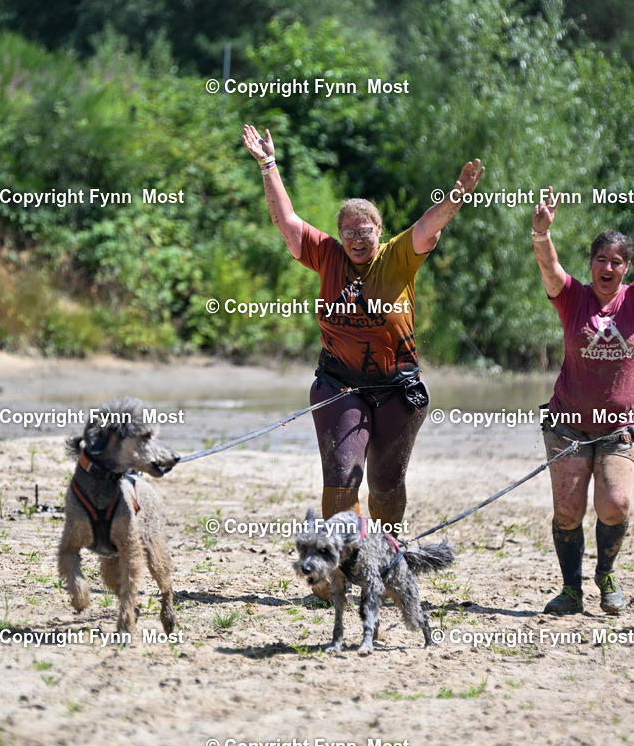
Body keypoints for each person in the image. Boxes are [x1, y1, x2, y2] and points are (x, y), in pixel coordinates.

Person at [242, 122, 484, 538]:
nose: (357, 238)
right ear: (339, 235)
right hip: (339, 385)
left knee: (386, 487)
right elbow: (286, 221)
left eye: (365, 230)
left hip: (397, 388)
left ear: (379, 231)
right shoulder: (326, 255)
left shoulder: (399, 257)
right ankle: (335, 567)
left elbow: (429, 224)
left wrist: (457, 195)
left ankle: (385, 554)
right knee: (341, 480)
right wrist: (268, 164)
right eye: (349, 232)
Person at [533, 186, 634, 615]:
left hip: (618, 429)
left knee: (616, 504)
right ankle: (571, 588)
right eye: (600, 259)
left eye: (616, 261)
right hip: (567, 426)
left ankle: (606, 573)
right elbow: (549, 266)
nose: (607, 266)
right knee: (569, 511)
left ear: (626, 268)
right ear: (590, 264)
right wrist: (541, 234)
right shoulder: (573, 296)